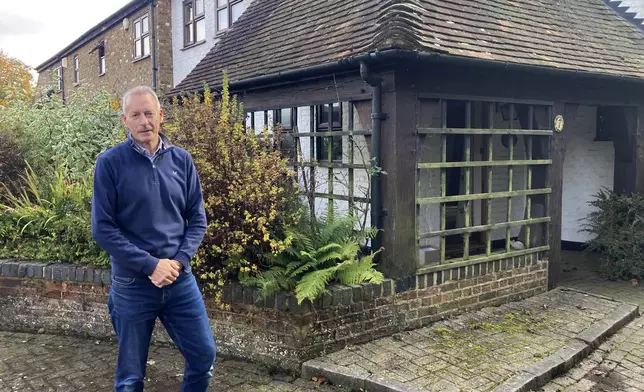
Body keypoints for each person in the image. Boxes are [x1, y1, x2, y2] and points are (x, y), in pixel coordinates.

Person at [91, 86, 216, 392]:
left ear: (161, 115)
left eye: (149, 113)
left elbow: (197, 219)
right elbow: (103, 228)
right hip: (133, 286)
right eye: (136, 115)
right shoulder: (109, 164)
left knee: (203, 356)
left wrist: (179, 261)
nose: (144, 121)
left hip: (180, 280)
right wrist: (150, 265)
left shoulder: (182, 160)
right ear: (125, 120)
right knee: (131, 377)